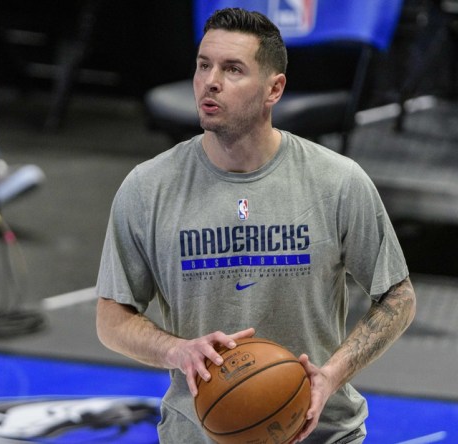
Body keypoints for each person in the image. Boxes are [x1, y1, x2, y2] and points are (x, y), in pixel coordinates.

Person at [95, 8, 416, 443]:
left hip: (320, 433)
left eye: (232, 70)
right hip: (201, 432)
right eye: (203, 65)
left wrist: (330, 375)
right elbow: (112, 318)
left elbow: (398, 297)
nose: (211, 81)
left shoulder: (337, 181)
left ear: (274, 89)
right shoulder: (148, 187)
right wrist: (178, 350)